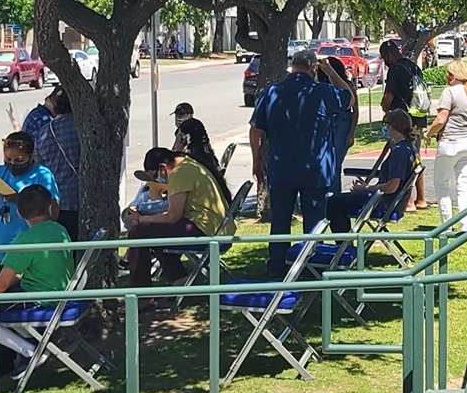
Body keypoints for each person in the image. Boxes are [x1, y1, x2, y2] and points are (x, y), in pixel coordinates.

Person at [249, 48, 352, 270]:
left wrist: (256, 160)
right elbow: (348, 98)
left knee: (280, 220)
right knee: (314, 223)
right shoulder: (322, 92)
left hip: (282, 169)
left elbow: (256, 130)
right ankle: (311, 264)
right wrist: (331, 71)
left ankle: (277, 264)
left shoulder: (272, 92)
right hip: (315, 170)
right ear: (313, 68)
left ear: (292, 66)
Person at [0, 184, 73, 371]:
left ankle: (29, 351)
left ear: (20, 214)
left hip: (39, 300)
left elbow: (2, 283)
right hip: (61, 294)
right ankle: (32, 345)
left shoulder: (25, 240)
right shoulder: (59, 230)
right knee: (0, 305)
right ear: (49, 206)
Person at [123, 143, 228, 287]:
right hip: (214, 228)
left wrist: (140, 219)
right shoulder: (188, 164)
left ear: (163, 168)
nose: (157, 181)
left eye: (155, 176)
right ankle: (179, 279)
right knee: (155, 231)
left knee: (138, 232)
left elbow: (173, 216)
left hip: (206, 230)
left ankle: (140, 294)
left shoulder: (179, 173)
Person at [327, 108, 420, 233]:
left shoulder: (400, 152)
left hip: (384, 202)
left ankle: (343, 246)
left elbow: (392, 186)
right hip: (393, 201)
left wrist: (365, 188)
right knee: (338, 201)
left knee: (333, 203)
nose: (385, 129)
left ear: (393, 126)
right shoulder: (410, 148)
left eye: (386, 125)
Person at [0, 131, 61, 253]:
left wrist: (19, 198)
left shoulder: (43, 175)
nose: (12, 164)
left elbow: (53, 213)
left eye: (19, 160)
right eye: (7, 159)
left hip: (27, 250)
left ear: (31, 156)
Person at [18, 85, 82, 234]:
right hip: (84, 196)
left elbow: (40, 164)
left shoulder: (46, 132)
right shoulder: (83, 128)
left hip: (58, 200)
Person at [426, 59, 467, 224]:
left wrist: (428, 134)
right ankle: (465, 226)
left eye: (448, 74)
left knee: (441, 184)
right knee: (464, 187)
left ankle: (447, 224)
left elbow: (440, 120)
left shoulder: (449, 92)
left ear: (453, 76)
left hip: (451, 142)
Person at [379, 39, 429, 207]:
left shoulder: (395, 70)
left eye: (383, 57)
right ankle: (421, 198)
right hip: (417, 119)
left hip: (401, 121)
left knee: (401, 161)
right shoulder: (413, 66)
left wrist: (385, 109)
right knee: (415, 159)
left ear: (388, 54)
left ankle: (407, 201)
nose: (384, 62)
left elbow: (388, 98)